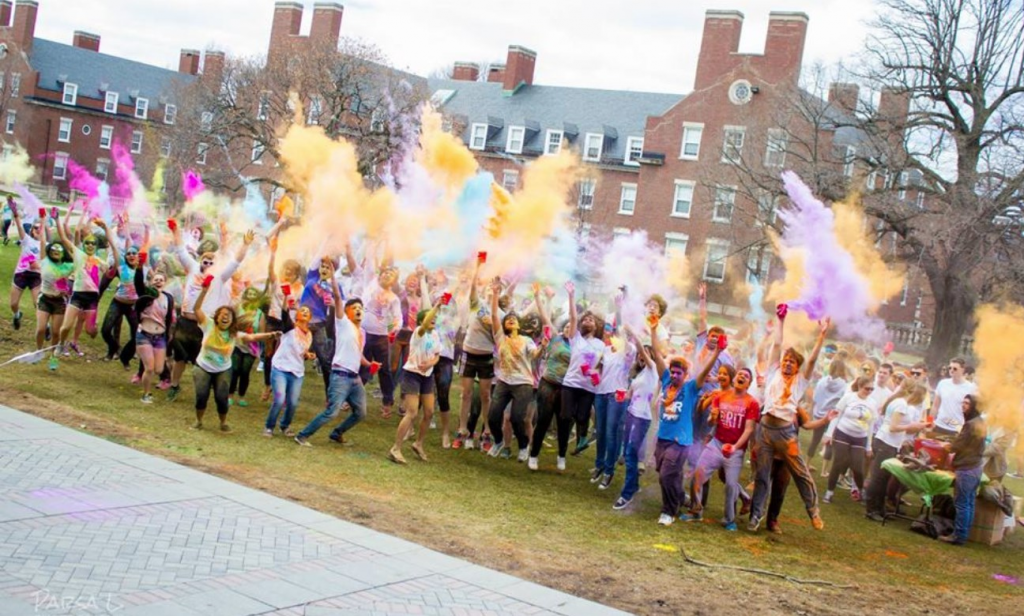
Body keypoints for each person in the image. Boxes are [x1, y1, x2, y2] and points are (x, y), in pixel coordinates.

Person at [748, 305, 830, 532]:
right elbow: (777, 343)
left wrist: (822, 335)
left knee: (800, 473)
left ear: (797, 367)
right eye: (785, 360)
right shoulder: (774, 372)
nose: (787, 363)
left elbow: (812, 360)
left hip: (785, 434)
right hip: (765, 430)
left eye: (792, 362)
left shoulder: (800, 381)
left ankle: (813, 511)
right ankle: (756, 516)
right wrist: (780, 320)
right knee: (762, 476)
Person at [295, 260, 377, 447]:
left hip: (354, 379)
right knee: (332, 412)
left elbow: (358, 354)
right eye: (354, 308)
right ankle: (302, 435)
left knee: (361, 413)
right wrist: (332, 277)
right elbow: (338, 298)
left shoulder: (361, 332)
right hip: (340, 376)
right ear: (347, 313)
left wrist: (369, 364)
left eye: (360, 309)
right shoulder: (343, 323)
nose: (358, 311)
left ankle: (337, 433)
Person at [166, 221, 250, 401]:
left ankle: (204, 391)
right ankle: (174, 386)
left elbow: (236, 261)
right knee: (179, 358)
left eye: (212, 261)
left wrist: (245, 244)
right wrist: (175, 230)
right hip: (185, 322)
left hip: (204, 325)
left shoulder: (220, 276)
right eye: (206, 259)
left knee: (203, 361)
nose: (209, 262)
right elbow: (180, 249)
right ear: (200, 259)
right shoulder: (192, 268)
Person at [192, 276, 280, 431]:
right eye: (223, 315)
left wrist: (270, 335)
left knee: (221, 398)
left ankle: (223, 423)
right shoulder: (208, 325)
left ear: (233, 320)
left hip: (223, 369)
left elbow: (251, 337)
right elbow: (197, 309)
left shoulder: (233, 334)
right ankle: (199, 421)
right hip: (203, 366)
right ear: (217, 317)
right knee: (201, 395)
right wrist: (204, 291)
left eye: (229, 316)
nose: (225, 317)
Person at [653, 340, 722, 526]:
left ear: (685, 375)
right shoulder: (666, 382)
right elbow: (657, 356)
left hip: (680, 441)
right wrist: (652, 330)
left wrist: (716, 353)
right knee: (667, 473)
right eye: (673, 372)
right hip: (662, 439)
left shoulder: (691, 388)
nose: (675, 375)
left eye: (679, 373)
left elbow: (704, 373)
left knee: (666, 475)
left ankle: (669, 512)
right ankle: (680, 495)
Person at [683, 366, 759, 530]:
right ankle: (696, 511)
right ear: (734, 379)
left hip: (736, 450)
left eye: (746, 376)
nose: (742, 376)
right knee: (698, 474)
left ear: (749, 383)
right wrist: (712, 418)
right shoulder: (721, 396)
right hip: (716, 444)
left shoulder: (752, 403)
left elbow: (749, 429)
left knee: (731, 485)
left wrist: (735, 447)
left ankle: (729, 519)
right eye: (740, 374)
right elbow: (712, 422)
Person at [480, 277, 546, 462]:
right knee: (493, 416)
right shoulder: (501, 338)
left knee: (517, 418)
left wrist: (543, 346)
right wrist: (494, 294)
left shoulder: (527, 340)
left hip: (523, 383)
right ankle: (499, 442)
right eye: (507, 319)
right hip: (504, 382)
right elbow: (494, 316)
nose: (510, 320)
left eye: (513, 319)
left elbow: (534, 355)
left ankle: (523, 446)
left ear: (518, 324)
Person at [612, 327, 667, 510]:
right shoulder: (638, 374)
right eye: (641, 355)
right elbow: (629, 394)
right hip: (631, 414)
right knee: (628, 453)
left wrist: (634, 336)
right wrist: (621, 396)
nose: (642, 357)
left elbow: (644, 352)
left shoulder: (652, 370)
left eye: (646, 354)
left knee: (630, 453)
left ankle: (627, 493)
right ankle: (633, 486)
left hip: (643, 418)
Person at [54, 217, 117, 360]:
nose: (89, 245)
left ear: (95, 246)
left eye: (92, 243)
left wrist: (107, 230)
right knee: (65, 327)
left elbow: (113, 268)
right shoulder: (78, 254)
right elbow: (64, 238)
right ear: (84, 244)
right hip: (77, 294)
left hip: (92, 298)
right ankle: (61, 344)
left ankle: (89, 331)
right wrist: (57, 220)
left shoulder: (100, 261)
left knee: (91, 331)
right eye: (87, 243)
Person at [388, 301, 443, 464]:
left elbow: (437, 355)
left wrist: (430, 363)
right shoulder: (419, 332)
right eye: (430, 317)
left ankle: (418, 443)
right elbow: (426, 324)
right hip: (412, 374)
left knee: (429, 412)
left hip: (427, 376)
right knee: (412, 412)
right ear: (422, 321)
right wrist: (437, 306)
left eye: (435, 317)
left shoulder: (435, 334)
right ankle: (395, 448)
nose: (434, 319)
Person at [864, 382, 928, 521]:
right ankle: (871, 509)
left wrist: (918, 426)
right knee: (878, 478)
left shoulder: (900, 402)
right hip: (886, 443)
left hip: (890, 444)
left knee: (885, 478)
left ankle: (880, 509)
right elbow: (893, 427)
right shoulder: (901, 405)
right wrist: (912, 425)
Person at [454, 254, 499, 449]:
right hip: (469, 353)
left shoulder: (501, 314)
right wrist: (478, 268)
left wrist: (493, 324)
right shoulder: (477, 304)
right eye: (489, 286)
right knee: (465, 394)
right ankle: (462, 429)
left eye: (494, 287)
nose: (490, 289)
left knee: (486, 395)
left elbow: (500, 338)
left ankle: (486, 432)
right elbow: (473, 289)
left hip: (487, 357)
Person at [528, 285, 573, 471]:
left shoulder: (579, 345)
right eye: (567, 326)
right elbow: (545, 317)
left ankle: (561, 455)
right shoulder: (556, 338)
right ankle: (533, 455)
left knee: (564, 423)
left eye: (573, 326)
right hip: (548, 383)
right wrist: (539, 297)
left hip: (566, 388)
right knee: (543, 420)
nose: (570, 328)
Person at [562, 281, 606, 456]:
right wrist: (571, 295)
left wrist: (597, 373)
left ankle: (581, 440)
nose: (588, 321)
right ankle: (564, 442)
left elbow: (603, 365)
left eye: (591, 319)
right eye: (585, 319)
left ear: (596, 326)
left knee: (582, 417)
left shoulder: (601, 344)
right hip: (571, 382)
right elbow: (573, 317)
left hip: (588, 386)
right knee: (566, 416)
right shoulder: (576, 338)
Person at [592, 317, 635, 489]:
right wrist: (594, 372)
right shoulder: (606, 350)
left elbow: (623, 329)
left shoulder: (629, 350)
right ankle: (599, 465)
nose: (614, 335)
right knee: (600, 431)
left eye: (618, 333)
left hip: (617, 395)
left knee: (611, 432)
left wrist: (620, 308)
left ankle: (609, 471)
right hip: (601, 393)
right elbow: (598, 368)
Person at [939, 395, 987, 545]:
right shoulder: (980, 422)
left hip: (967, 467)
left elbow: (958, 446)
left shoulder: (971, 424)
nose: (963, 405)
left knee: (962, 504)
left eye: (967, 403)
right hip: (975, 466)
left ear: (974, 406)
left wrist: (946, 446)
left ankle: (959, 536)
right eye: (963, 402)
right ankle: (964, 533)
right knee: (969, 502)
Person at [822, 376, 877, 504]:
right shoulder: (849, 397)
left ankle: (861, 489)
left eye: (871, 389)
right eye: (866, 389)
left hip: (860, 436)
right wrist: (829, 433)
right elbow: (837, 415)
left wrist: (868, 446)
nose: (869, 391)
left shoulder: (872, 403)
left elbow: (870, 426)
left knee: (857, 467)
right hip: (843, 433)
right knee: (839, 462)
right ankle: (829, 492)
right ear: (859, 386)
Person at [263, 297, 313, 437]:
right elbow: (284, 313)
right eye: (301, 310)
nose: (304, 312)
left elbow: (301, 352)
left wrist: (307, 355)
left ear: (310, 317)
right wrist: (285, 297)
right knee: (279, 400)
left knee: (292, 403)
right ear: (296, 315)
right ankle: (269, 427)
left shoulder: (309, 335)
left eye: (307, 311)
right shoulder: (290, 328)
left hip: (297, 372)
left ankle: (285, 425)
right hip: (280, 368)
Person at [358, 265, 402, 418]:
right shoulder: (371, 286)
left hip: (381, 337)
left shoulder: (393, 298)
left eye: (391, 274)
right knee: (362, 367)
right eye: (385, 273)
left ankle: (387, 402)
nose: (387, 275)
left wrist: (393, 329)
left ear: (394, 280)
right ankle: (352, 397)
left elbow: (397, 318)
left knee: (384, 371)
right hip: (364, 333)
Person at [133, 258, 175, 404]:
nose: (158, 282)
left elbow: (169, 317)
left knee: (158, 369)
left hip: (160, 337)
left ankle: (152, 384)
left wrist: (169, 333)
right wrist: (139, 267)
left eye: (161, 280)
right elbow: (138, 283)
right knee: (149, 368)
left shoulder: (168, 298)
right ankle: (146, 394)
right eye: (155, 279)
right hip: (144, 335)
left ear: (165, 282)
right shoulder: (147, 295)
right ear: (151, 282)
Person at [33, 212, 73, 358]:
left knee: (56, 332)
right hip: (44, 298)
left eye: (59, 250)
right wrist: (44, 220)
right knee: (41, 329)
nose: (56, 251)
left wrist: (58, 221)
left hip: (59, 302)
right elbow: (43, 240)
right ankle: (38, 350)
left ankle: (53, 356)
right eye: (54, 249)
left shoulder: (68, 266)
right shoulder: (45, 261)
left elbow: (72, 249)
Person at [229, 284, 266, 408]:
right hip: (237, 344)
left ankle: (242, 396)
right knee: (234, 369)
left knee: (245, 371)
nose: (251, 296)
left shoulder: (260, 314)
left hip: (252, 347)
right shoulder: (238, 308)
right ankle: (230, 395)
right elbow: (230, 322)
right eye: (249, 294)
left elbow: (261, 332)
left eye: (253, 294)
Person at [807, 358, 849, 465]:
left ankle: (807, 464)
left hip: (819, 414)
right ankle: (824, 470)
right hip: (832, 416)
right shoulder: (844, 385)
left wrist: (812, 412)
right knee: (830, 442)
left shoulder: (822, 381)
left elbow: (815, 397)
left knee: (815, 440)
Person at [8, 205, 42, 331]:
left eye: (41, 228)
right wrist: (15, 213)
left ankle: (46, 326)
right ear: (32, 230)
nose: (39, 230)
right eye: (37, 228)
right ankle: (17, 315)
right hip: (21, 273)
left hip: (36, 276)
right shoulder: (27, 240)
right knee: (13, 304)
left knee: (37, 304)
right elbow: (19, 227)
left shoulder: (46, 245)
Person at [929, 357, 978, 435]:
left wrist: (965, 429)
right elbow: (935, 405)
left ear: (962, 370)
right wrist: (929, 421)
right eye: (950, 368)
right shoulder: (943, 383)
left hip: (957, 428)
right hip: (938, 425)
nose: (951, 370)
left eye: (955, 368)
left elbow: (973, 412)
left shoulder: (971, 388)